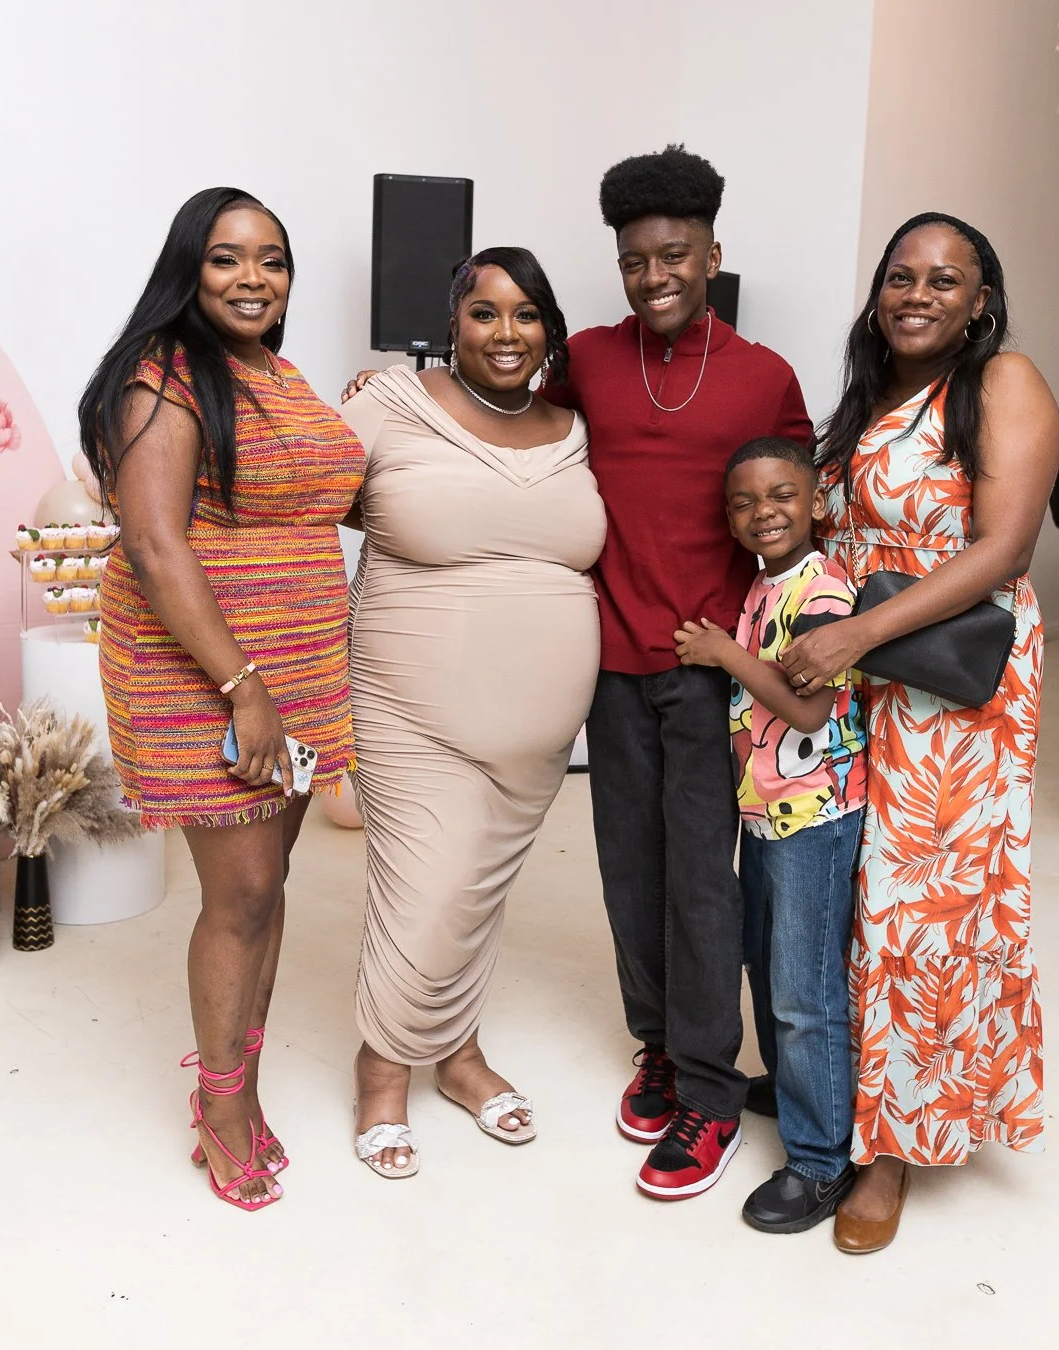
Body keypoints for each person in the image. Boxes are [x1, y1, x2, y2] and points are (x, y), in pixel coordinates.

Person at [78, 188, 365, 1211]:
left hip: (298, 670)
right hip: (210, 674)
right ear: (187, 270)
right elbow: (157, 544)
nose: (254, 278)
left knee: (267, 887)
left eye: (272, 260)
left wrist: (375, 405)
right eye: (227, 258)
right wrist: (244, 690)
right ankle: (223, 1105)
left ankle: (237, 1079)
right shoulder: (161, 375)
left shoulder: (278, 376)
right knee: (240, 898)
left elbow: (330, 492)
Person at [781, 212, 1059, 1253]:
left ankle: (895, 1147)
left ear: (981, 302)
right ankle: (838, 1083)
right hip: (861, 680)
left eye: (946, 280)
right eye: (901, 276)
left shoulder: (1005, 382)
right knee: (849, 893)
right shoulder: (872, 397)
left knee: (920, 914)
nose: (918, 295)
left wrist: (856, 633)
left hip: (952, 688)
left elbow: (1003, 549)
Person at [541, 144, 813, 1199]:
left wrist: (788, 647)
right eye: (634, 261)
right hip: (609, 661)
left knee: (701, 882)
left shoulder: (762, 376)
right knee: (629, 872)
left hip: (710, 669)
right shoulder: (588, 360)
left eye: (673, 256)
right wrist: (402, 390)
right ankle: (657, 1042)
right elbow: (508, 418)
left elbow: (798, 515)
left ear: (711, 254)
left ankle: (709, 1090)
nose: (653, 277)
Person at [339, 248, 605, 1177]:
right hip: (408, 710)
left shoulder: (576, 428)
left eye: (526, 314)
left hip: (537, 737)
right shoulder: (389, 403)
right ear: (451, 323)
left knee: (473, 897)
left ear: (549, 331)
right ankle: (382, 1073)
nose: (506, 332)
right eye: (485, 312)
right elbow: (301, 496)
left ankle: (458, 1057)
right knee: (427, 890)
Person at [673, 437, 866, 1230]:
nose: (764, 513)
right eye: (745, 503)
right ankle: (797, 1091)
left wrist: (722, 652)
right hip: (766, 815)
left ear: (817, 502)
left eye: (782, 495)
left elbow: (809, 710)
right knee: (766, 963)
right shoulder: (762, 585)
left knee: (803, 990)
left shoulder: (823, 588)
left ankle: (821, 1161)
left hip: (815, 817)